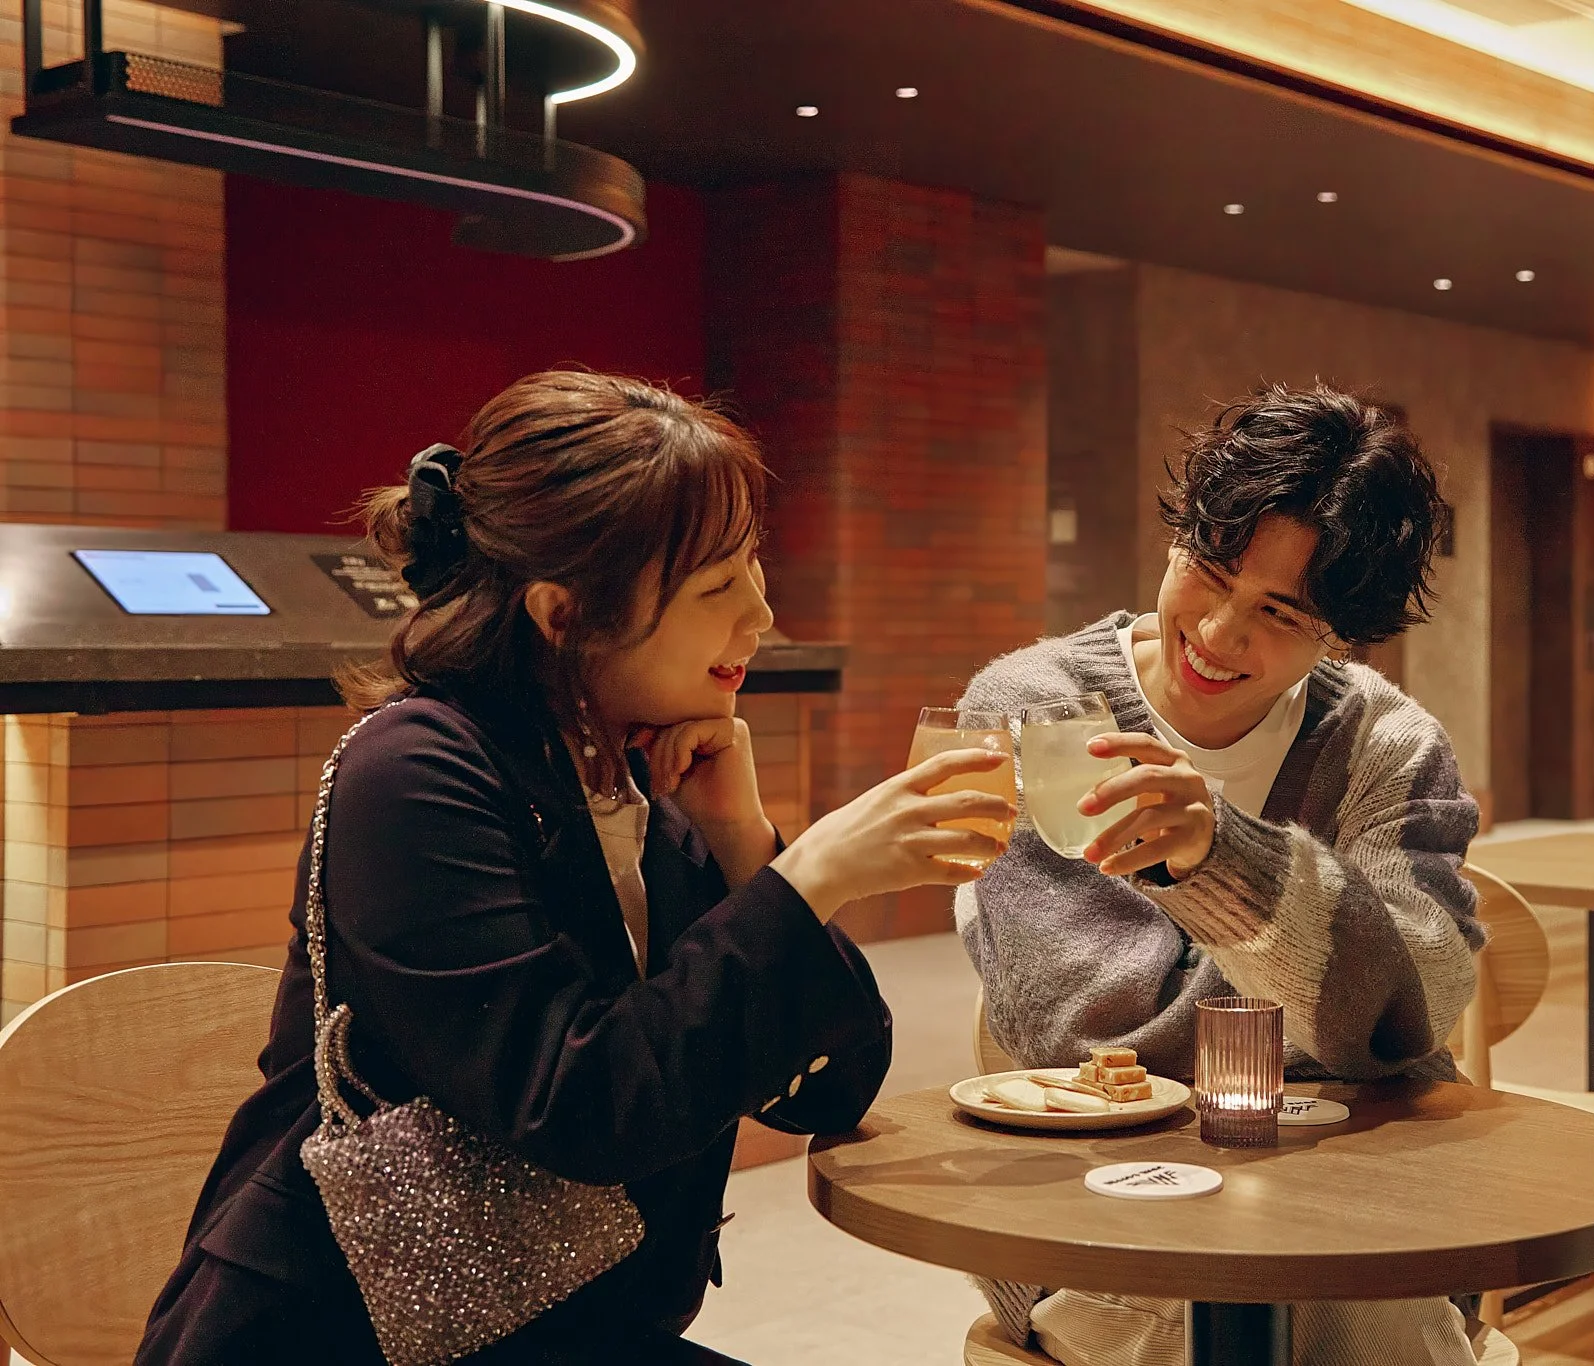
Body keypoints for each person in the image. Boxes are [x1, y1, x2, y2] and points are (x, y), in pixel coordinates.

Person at [138, 371, 1013, 1365]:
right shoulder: (414, 772)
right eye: (716, 588)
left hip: (571, 1331)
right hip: (342, 1335)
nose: (760, 616)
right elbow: (584, 1104)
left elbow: (823, 1088)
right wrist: (807, 875)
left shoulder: (637, 774)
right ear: (563, 614)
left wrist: (746, 845)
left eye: (753, 571)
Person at [957, 382, 1488, 1366]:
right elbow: (1085, 1036)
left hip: (1361, 1201)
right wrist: (1330, 1007)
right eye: (1208, 570)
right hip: (1097, 1215)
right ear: (1177, 538)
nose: (1215, 633)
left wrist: (1221, 855)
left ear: (1341, 632)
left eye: (1278, 613)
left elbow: (1413, 1012)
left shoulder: (1385, 744)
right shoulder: (1040, 706)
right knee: (1333, 1325)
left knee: (1358, 1305)